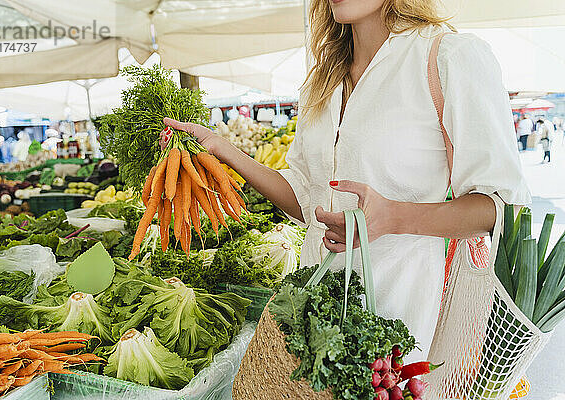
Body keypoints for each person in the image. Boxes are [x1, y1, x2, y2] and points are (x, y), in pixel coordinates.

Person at [163, 0, 530, 362]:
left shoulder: (448, 57)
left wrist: (393, 217)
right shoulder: (321, 81)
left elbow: (501, 206)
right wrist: (222, 148)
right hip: (311, 311)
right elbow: (307, 199)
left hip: (394, 316)